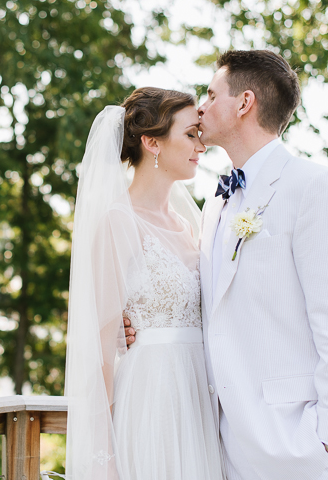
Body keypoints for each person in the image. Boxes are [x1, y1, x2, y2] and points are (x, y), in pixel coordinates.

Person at [124, 50, 328, 480]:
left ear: (244, 103)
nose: (202, 107)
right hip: (220, 445)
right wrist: (129, 323)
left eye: (212, 94)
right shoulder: (215, 203)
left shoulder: (313, 187)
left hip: (297, 449)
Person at [65, 88, 224, 480]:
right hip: (150, 398)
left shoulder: (188, 225)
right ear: (151, 142)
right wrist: (104, 453)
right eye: (190, 134)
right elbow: (100, 349)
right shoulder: (118, 221)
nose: (201, 146)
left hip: (197, 400)